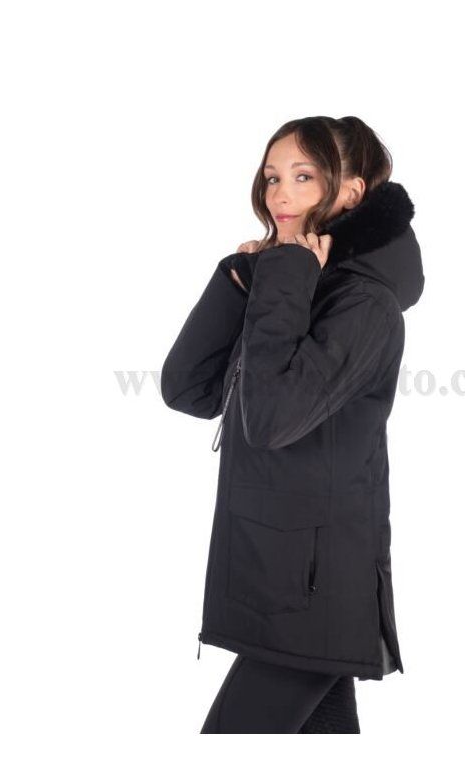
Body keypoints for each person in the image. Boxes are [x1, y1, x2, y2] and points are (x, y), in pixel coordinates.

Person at [161, 115, 425, 733]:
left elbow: (272, 419)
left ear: (351, 192)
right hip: (273, 572)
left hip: (313, 590)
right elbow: (189, 390)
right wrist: (240, 281)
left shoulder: (363, 304)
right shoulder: (295, 283)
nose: (280, 193)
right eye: (272, 176)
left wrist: (283, 278)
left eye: (304, 177)